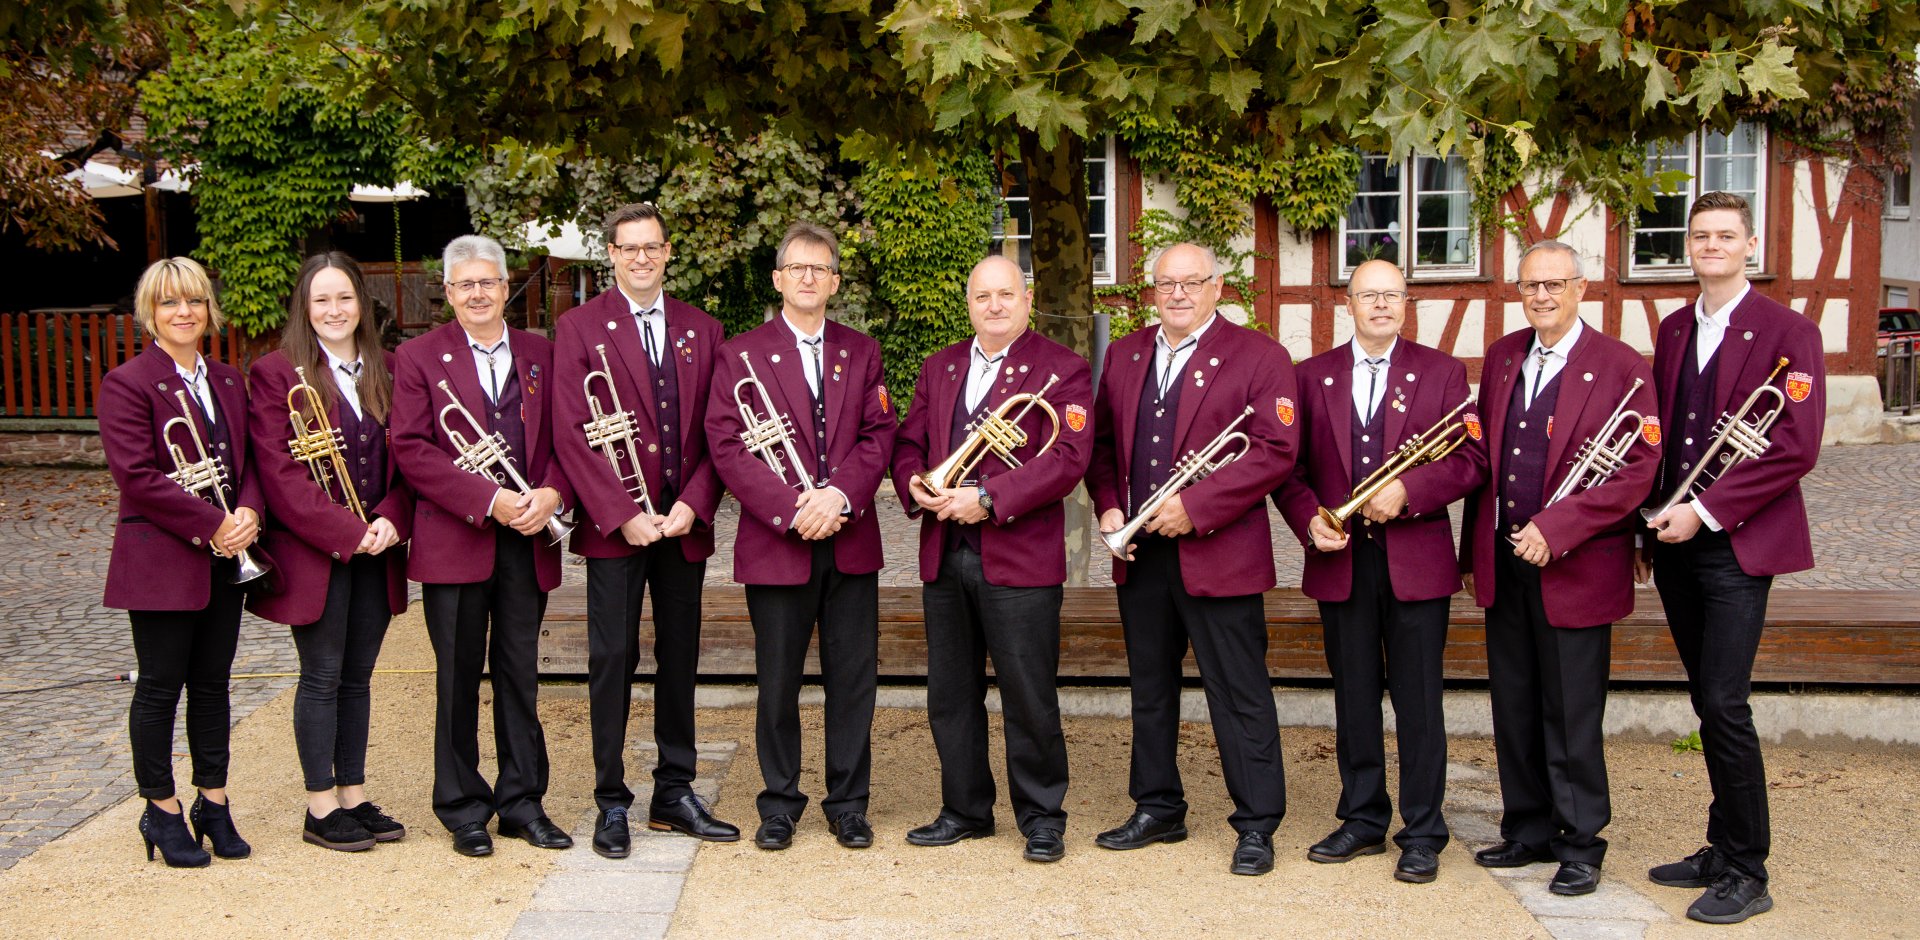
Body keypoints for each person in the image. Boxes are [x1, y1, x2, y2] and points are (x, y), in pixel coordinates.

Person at [1638, 191, 1823, 925]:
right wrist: (1647, 528)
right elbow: (1664, 431)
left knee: (1724, 701)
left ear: (1751, 245)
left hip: (1737, 542)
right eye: (1701, 235)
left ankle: (1749, 868)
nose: (1712, 245)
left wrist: (1706, 510)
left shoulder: (1788, 330)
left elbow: (1795, 445)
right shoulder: (1676, 327)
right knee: (1705, 699)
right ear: (1689, 246)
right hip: (1678, 541)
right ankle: (1721, 844)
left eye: (1725, 235)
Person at [1085, 243, 1300, 876]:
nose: (1177, 294)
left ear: (1217, 286)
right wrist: (1107, 506)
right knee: (1151, 689)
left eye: (1191, 283)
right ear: (1152, 291)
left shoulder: (1259, 355)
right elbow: (1100, 447)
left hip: (1221, 555)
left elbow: (1274, 450)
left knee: (1239, 692)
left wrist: (1198, 507)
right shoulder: (1124, 355)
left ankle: (1257, 823)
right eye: (1165, 284)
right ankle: (1157, 807)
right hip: (1143, 555)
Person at [1271, 259, 1482, 883]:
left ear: (1407, 301)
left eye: (1393, 295)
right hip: (1340, 564)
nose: (1382, 305)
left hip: (1416, 564)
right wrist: (1308, 518)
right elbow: (1288, 468)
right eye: (1370, 295)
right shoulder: (1310, 378)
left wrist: (1411, 492)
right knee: (1354, 697)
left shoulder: (1442, 372)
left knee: (1420, 703)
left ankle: (1423, 831)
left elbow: (1472, 459)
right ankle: (1362, 818)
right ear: (1350, 303)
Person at [1460, 240, 1660, 897]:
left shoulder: (1621, 365)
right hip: (1506, 560)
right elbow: (1485, 469)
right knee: (1514, 703)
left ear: (1581, 289)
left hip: (1574, 565)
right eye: (1529, 286)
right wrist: (1471, 552)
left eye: (1554, 284)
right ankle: (1527, 828)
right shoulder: (1501, 357)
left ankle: (1581, 842)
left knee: (1571, 711)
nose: (1540, 296)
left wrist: (1559, 528)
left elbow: (1637, 468)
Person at [890, 255, 1093, 864]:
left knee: (1029, 694)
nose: (995, 305)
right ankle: (965, 809)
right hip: (945, 554)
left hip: (1018, 556)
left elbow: (1069, 458)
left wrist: (988, 498)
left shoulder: (1063, 369)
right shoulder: (941, 365)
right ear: (970, 302)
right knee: (950, 694)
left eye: (1006, 294)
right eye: (984, 296)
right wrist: (916, 484)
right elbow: (908, 444)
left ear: (1026, 299)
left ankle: (1042, 815)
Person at [552, 203, 738, 858]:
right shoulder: (577, 327)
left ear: (667, 252)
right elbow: (571, 432)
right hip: (616, 528)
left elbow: (723, 431)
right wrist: (620, 513)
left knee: (680, 656)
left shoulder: (702, 328)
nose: (640, 258)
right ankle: (610, 800)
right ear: (610, 253)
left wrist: (695, 502)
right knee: (612, 660)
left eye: (651, 247)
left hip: (682, 524)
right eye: (627, 248)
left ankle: (675, 790)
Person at [705, 221, 897, 851]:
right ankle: (780, 803)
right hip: (777, 542)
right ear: (779, 279)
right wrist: (792, 509)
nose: (809, 278)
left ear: (835, 282)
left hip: (849, 538)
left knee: (853, 679)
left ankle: (849, 803)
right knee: (777, 679)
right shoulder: (741, 352)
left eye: (821, 269)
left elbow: (879, 437)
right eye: (798, 268)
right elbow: (727, 446)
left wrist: (837, 497)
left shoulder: (861, 351)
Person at [391, 235, 574, 858]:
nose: (477, 293)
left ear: (505, 287)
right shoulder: (417, 357)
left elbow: (567, 439)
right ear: (448, 292)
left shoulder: (541, 353)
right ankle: (463, 806)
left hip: (529, 542)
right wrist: (487, 500)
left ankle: (523, 801)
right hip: (455, 545)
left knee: (521, 677)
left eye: (488, 282)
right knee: (457, 679)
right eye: (464, 284)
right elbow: (412, 449)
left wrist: (552, 494)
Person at [98, 256, 264, 867]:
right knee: (160, 688)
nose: (184, 312)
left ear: (208, 309)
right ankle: (160, 809)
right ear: (151, 314)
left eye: (193, 300)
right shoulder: (128, 382)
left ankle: (213, 802)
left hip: (226, 559)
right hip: (164, 562)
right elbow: (138, 477)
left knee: (214, 687)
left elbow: (248, 464)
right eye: (170, 303)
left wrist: (246, 512)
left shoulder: (227, 380)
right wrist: (214, 523)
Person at [246, 252, 411, 852]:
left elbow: (411, 456)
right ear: (305, 308)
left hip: (380, 546)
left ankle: (354, 794)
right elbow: (279, 474)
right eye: (322, 300)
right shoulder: (276, 373)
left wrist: (393, 516)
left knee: (359, 677)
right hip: (318, 552)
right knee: (322, 674)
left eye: (344, 298)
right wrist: (347, 532)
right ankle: (320, 806)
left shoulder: (389, 368)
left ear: (361, 304)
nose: (335, 310)